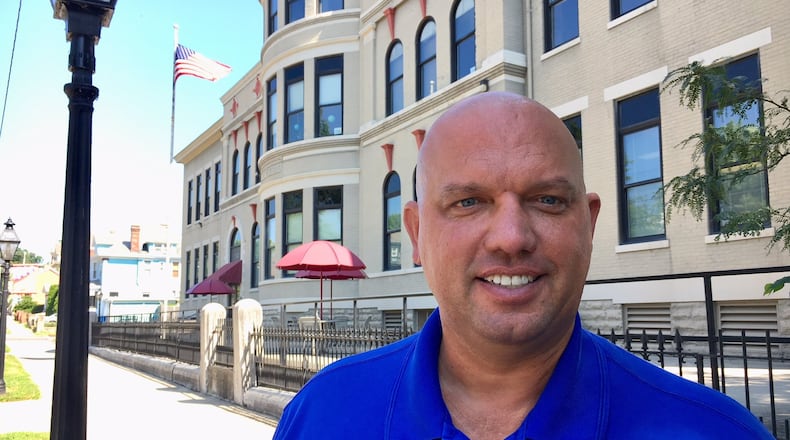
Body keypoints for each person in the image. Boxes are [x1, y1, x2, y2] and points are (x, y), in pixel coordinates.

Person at [273, 91, 772, 439]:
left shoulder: (713, 432)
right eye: (469, 202)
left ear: (589, 224)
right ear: (417, 233)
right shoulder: (322, 414)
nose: (512, 237)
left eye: (548, 200)